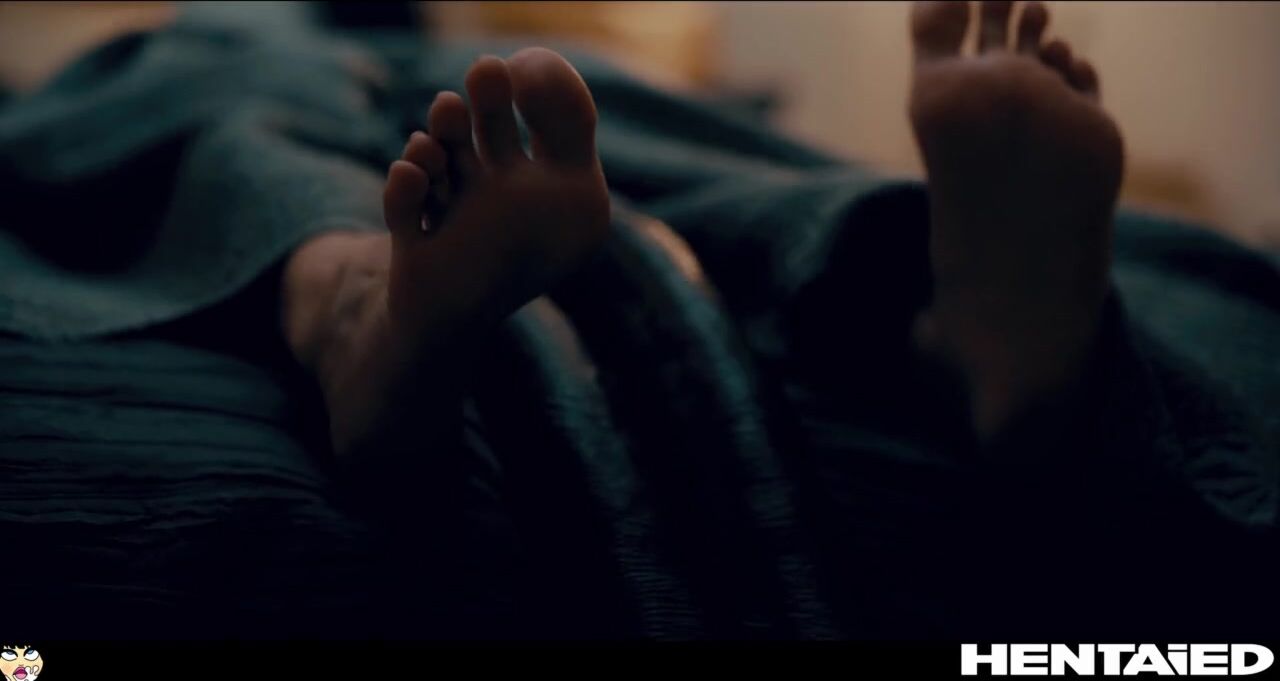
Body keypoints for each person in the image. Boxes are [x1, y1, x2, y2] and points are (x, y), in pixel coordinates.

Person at [0, 1, 1274, 638]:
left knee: (237, 121)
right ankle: (935, 310)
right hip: (218, 54)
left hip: (313, 78)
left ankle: (348, 296)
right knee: (214, 80)